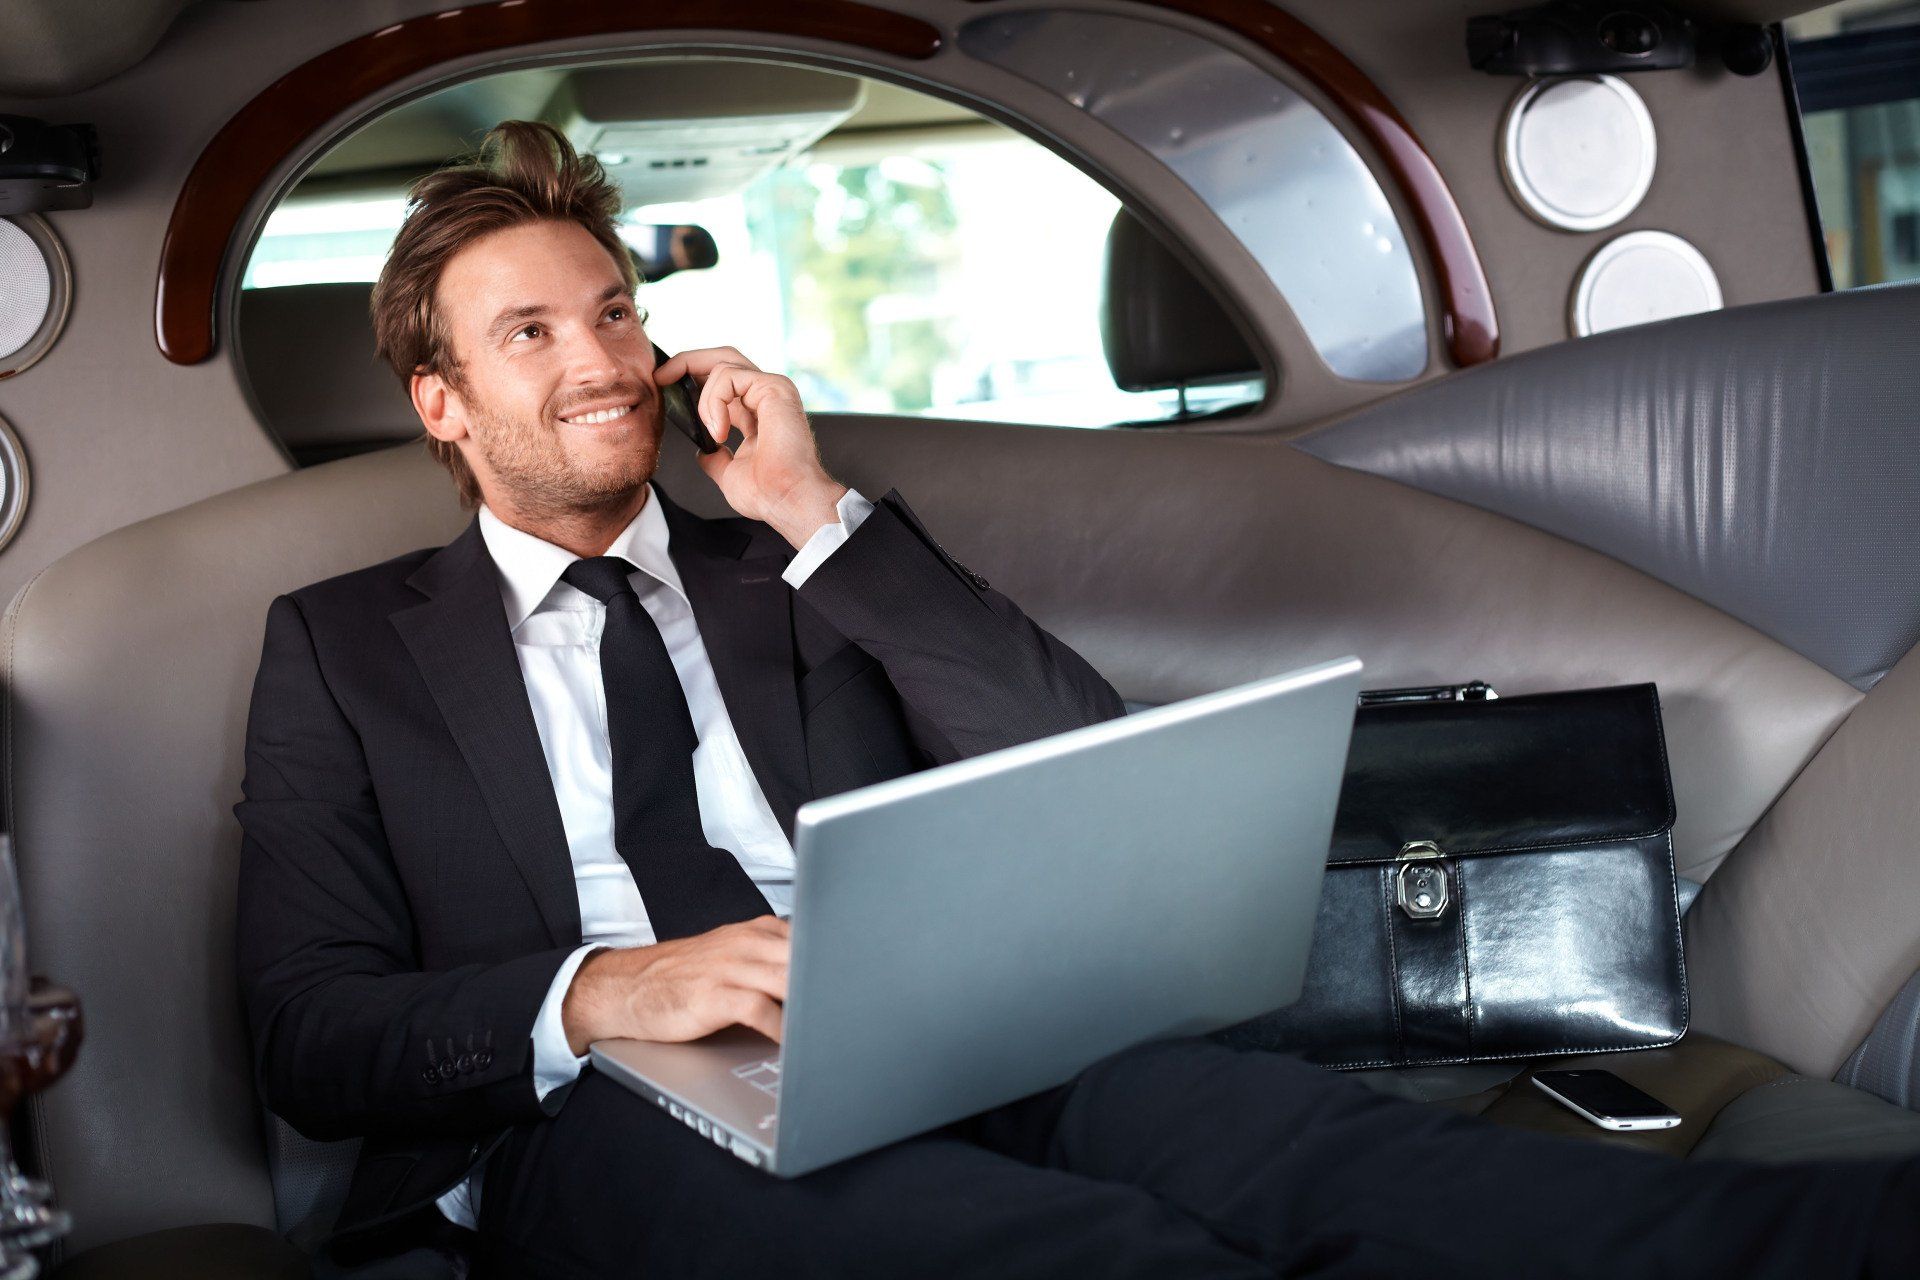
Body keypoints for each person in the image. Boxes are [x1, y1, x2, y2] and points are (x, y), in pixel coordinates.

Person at [234, 121, 1917, 1279]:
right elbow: (309, 1030)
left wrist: (821, 519)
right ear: (442, 403)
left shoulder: (793, 565)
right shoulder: (344, 647)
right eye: (528, 334)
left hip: (941, 1033)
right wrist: (612, 990)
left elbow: (1072, 759)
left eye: (612, 312)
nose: (598, 359)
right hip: (592, 1115)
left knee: (1349, 1161)